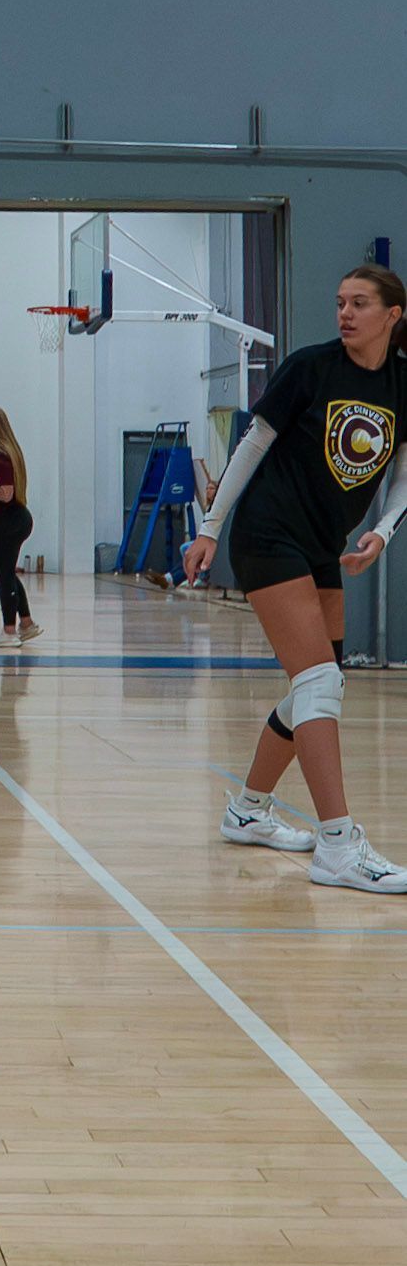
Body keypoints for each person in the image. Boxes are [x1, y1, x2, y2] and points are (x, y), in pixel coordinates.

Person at [184, 264, 407, 893]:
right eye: (340, 302)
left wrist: (383, 533)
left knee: (319, 685)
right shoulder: (311, 367)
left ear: (393, 315)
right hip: (267, 533)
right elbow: (251, 444)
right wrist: (208, 527)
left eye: (360, 303)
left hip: (321, 545)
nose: (345, 313)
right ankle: (337, 844)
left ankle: (247, 811)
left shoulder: (402, 382)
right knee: (318, 682)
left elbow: (403, 475)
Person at [0, 407, 42, 648]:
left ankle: (9, 630)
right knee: (8, 573)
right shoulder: (8, 453)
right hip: (18, 518)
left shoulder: (1, 457)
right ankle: (26, 623)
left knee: (3, 577)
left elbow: (5, 494)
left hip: (8, 520)